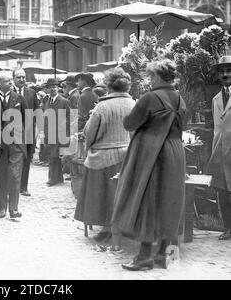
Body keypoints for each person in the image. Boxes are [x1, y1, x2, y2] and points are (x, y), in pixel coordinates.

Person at [112, 59, 187, 271]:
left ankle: (144, 257)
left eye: (151, 76)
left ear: (157, 76)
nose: (149, 80)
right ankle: (165, 255)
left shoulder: (150, 98)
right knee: (170, 202)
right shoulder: (180, 98)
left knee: (148, 202)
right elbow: (184, 125)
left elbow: (129, 123)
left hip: (153, 155)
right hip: (175, 153)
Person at [74, 68, 135, 249]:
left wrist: (90, 146)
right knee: (122, 194)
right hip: (128, 157)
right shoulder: (134, 104)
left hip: (103, 158)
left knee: (101, 196)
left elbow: (89, 132)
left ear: (109, 86)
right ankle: (122, 226)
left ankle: (106, 227)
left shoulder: (102, 106)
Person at [0, 71, 28, 219]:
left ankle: (13, 208)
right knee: (0, 174)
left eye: (10, 81)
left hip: (16, 145)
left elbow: (28, 119)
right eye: (7, 81)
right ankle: (2, 207)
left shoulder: (19, 98)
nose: (11, 83)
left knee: (14, 175)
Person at [206, 55, 231, 240]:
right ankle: (228, 228)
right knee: (222, 191)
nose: (225, 74)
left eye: (229, 71)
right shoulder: (216, 99)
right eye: (221, 71)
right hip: (220, 152)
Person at [13, 68, 39, 197]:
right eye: (19, 77)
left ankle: (23, 187)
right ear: (13, 79)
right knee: (12, 160)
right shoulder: (9, 92)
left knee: (26, 159)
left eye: (23, 77)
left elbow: (37, 111)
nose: (22, 79)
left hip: (28, 131)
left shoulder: (31, 93)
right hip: (12, 132)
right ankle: (11, 187)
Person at [42, 78, 71, 187]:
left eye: (54, 87)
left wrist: (63, 127)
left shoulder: (64, 101)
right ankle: (58, 178)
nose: (53, 89)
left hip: (60, 133)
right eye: (50, 87)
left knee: (54, 156)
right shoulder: (46, 101)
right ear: (48, 89)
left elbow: (70, 117)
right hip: (49, 132)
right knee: (52, 155)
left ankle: (52, 179)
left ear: (58, 88)